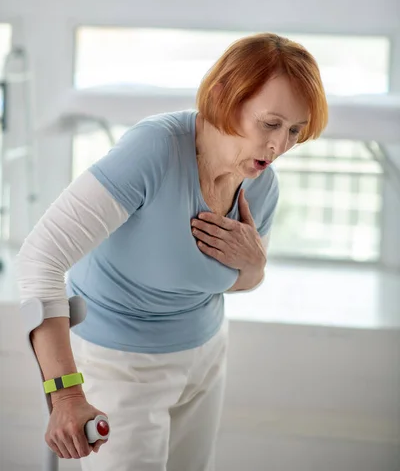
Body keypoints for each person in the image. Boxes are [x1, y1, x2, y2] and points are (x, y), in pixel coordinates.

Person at [15, 33, 328, 471]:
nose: (279, 146)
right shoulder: (155, 151)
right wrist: (66, 393)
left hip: (205, 357)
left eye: (295, 130)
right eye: (270, 124)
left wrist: (254, 265)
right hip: (121, 364)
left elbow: (242, 281)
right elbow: (39, 258)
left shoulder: (262, 184)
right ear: (224, 95)